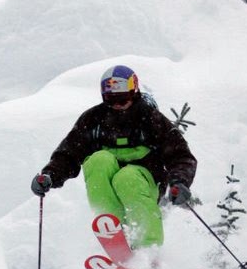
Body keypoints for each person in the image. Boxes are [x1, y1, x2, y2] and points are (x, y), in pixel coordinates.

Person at [31, 64, 197, 250]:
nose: (117, 104)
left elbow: (180, 154)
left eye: (122, 98)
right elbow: (70, 152)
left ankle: (148, 248)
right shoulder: (94, 119)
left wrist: (180, 182)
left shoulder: (151, 119)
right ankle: (113, 230)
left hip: (145, 181)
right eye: (111, 99)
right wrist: (50, 175)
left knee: (126, 178)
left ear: (134, 92)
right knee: (97, 160)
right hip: (109, 181)